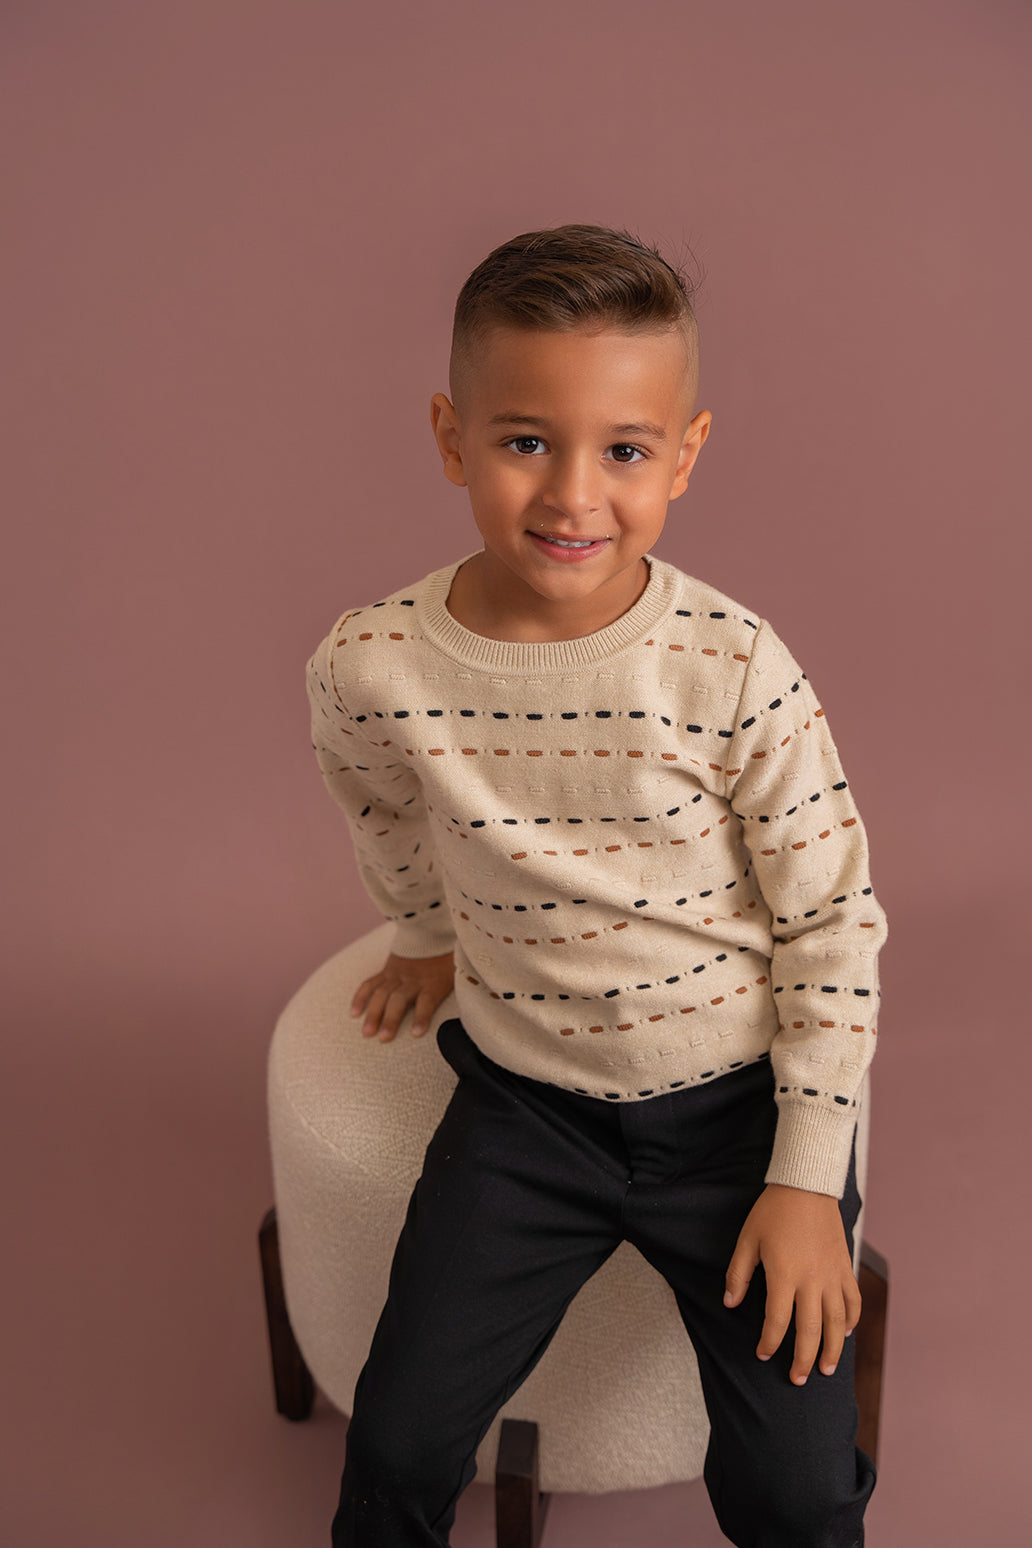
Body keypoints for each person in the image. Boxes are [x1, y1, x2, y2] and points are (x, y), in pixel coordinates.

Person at [306, 224, 887, 1547]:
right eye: (526, 441)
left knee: (796, 1492)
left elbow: (830, 922)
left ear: (684, 454)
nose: (574, 495)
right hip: (526, 1112)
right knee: (396, 1444)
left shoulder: (731, 666)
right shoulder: (372, 663)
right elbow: (381, 803)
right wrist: (422, 933)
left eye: (624, 451)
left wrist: (807, 1179)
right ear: (452, 438)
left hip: (735, 1114)